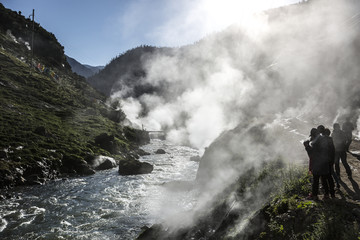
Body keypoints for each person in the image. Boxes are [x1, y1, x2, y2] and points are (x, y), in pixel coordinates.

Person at [304, 127, 335, 200]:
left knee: (316, 180)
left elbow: (312, 154)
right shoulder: (323, 139)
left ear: (314, 135)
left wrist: (307, 147)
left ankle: (315, 195)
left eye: (312, 136)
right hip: (325, 162)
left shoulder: (316, 142)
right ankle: (327, 195)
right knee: (324, 179)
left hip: (318, 163)